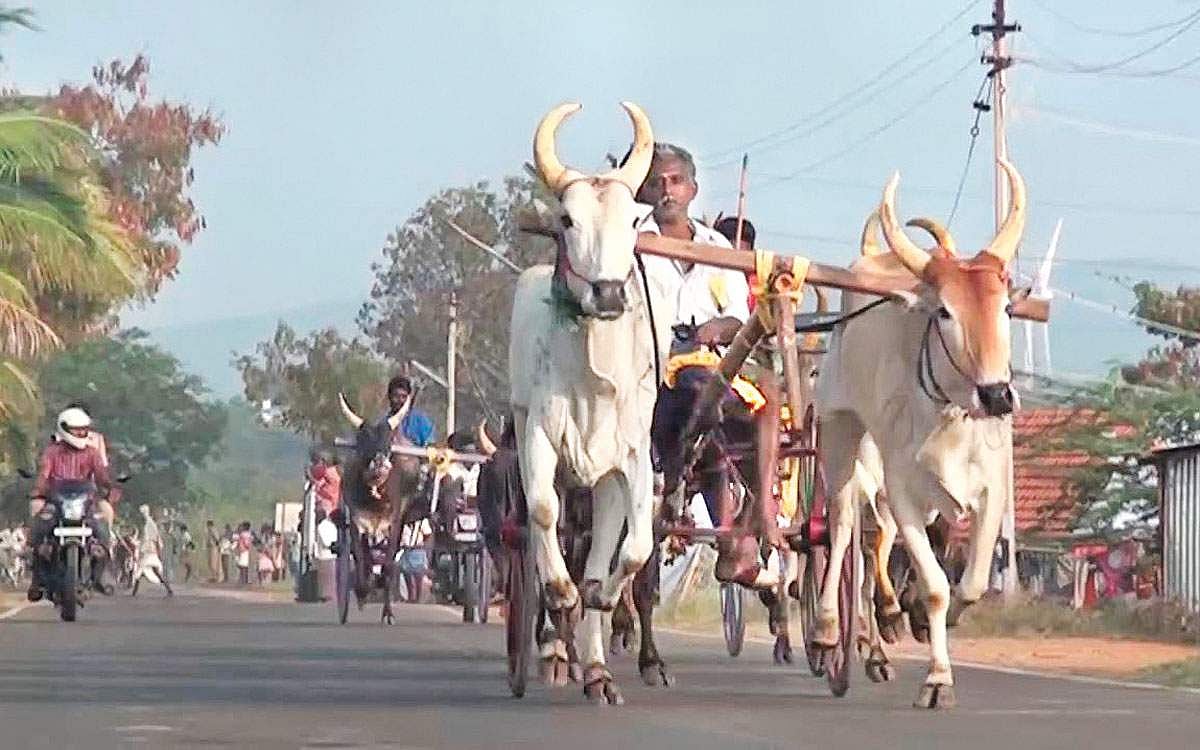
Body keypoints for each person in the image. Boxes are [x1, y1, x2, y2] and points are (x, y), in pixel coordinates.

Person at [27, 406, 114, 602]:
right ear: (64, 428)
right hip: (56, 500)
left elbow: (101, 476)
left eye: (84, 429)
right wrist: (38, 492)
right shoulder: (52, 452)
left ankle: (101, 574)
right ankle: (36, 577)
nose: (81, 433)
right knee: (38, 521)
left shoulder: (92, 453)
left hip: (85, 502)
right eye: (76, 429)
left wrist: (110, 488)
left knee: (103, 523)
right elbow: (43, 474)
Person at [380, 375, 435, 447]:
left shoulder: (420, 420)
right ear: (389, 397)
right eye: (396, 396)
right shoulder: (384, 423)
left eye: (403, 396)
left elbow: (431, 447)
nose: (400, 400)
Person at [132, 504, 173, 597]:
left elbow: (152, 537)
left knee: (140, 571)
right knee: (153, 571)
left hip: (149, 551)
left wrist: (142, 547)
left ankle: (134, 592)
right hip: (150, 550)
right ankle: (168, 589)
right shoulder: (148, 523)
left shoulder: (149, 523)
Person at [308, 451, 342, 518]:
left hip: (327, 504)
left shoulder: (328, 472)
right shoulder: (336, 473)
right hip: (335, 504)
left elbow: (317, 485)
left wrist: (309, 475)